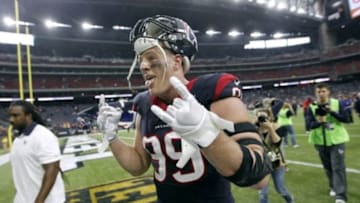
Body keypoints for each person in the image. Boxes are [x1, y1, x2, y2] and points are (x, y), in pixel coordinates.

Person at [97, 15, 271, 203]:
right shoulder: (145, 104)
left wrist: (207, 135)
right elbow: (138, 164)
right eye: (141, 60)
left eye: (152, 58)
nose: (143, 66)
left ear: (177, 62)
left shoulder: (212, 92)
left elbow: (259, 178)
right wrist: (112, 138)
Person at [8, 101, 65, 203]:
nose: (11, 120)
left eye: (16, 115)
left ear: (28, 116)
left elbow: (52, 170)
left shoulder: (42, 135)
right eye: (10, 116)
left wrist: (39, 201)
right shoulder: (18, 139)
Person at [306, 84, 350, 203]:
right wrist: (319, 122)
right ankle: (333, 187)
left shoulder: (337, 103)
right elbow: (309, 125)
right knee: (328, 167)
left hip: (337, 140)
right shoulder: (311, 107)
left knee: (338, 167)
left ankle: (340, 196)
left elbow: (346, 119)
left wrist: (332, 112)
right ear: (316, 93)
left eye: (323, 91)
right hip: (320, 141)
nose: (321, 94)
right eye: (318, 91)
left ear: (328, 92)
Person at [255, 108, 294, 203]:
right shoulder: (255, 130)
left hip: (276, 161)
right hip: (263, 162)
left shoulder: (277, 127)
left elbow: (277, 143)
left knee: (280, 188)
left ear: (269, 117)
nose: (262, 119)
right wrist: (258, 130)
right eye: (259, 116)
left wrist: (270, 128)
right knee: (263, 192)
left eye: (264, 116)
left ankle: (290, 200)